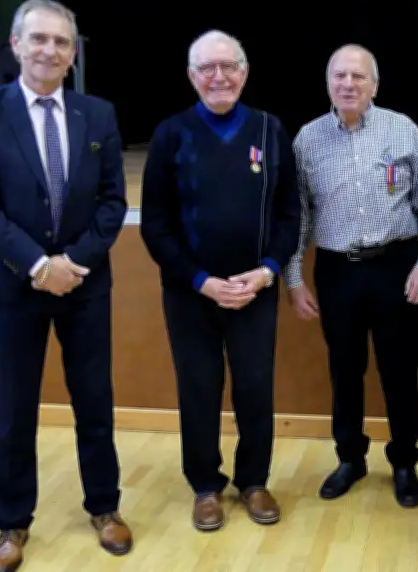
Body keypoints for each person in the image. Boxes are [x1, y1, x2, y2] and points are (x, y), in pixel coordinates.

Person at [0, 0, 132, 571]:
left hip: (84, 285)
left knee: (95, 403)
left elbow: (112, 202)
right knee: (16, 410)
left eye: (61, 42)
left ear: (73, 54)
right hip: (12, 289)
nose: (49, 50)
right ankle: (11, 525)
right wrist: (37, 265)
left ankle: (104, 507)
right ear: (16, 45)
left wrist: (71, 263)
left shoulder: (97, 114)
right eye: (39, 40)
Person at [139, 29, 300, 532]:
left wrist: (269, 270)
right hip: (191, 293)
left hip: (255, 290)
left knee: (255, 387)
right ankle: (205, 486)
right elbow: (155, 226)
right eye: (207, 68)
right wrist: (201, 280)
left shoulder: (272, 131)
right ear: (191, 76)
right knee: (199, 388)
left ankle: (253, 480)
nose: (218, 76)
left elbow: (290, 215)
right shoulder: (170, 134)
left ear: (245, 73)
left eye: (228, 66)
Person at [284, 44, 418, 508]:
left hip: (397, 266)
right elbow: (299, 216)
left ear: (375, 84)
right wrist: (294, 279)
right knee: (345, 371)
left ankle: (404, 462)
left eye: (358, 76)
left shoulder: (402, 129)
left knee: (399, 371)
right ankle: (350, 458)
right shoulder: (307, 139)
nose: (348, 84)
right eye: (339, 76)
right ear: (328, 83)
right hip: (338, 272)